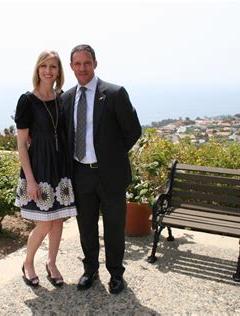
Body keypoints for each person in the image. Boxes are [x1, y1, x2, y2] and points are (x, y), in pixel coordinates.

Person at [61, 44, 141, 294]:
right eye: (77, 64)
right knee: (86, 227)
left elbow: (133, 131)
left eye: (87, 63)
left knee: (114, 227)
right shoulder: (66, 98)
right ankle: (90, 270)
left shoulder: (115, 93)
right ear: (72, 66)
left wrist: (111, 156)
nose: (82, 68)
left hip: (111, 174)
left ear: (95, 63)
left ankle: (116, 274)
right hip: (81, 174)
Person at [14, 50, 77, 288]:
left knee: (59, 220)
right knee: (45, 223)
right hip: (39, 167)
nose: (48, 71)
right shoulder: (27, 101)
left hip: (60, 167)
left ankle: (51, 263)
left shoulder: (61, 98)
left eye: (53, 66)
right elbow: (21, 143)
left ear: (59, 71)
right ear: (37, 69)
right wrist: (30, 180)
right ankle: (28, 263)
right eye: (44, 66)